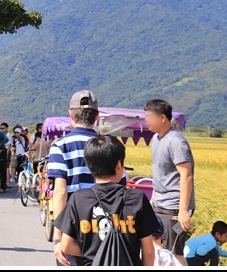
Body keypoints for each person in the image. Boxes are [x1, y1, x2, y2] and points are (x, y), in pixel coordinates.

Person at [54, 134, 160, 266]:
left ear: (89, 165)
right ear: (119, 164)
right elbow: (149, 252)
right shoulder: (137, 198)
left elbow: (67, 245)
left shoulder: (79, 199)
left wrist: (95, 251)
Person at [49, 89, 100, 266]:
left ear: (71, 115)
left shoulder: (60, 145)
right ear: (97, 116)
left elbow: (61, 192)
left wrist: (57, 237)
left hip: (72, 225)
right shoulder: (109, 145)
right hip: (103, 223)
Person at [144, 98, 195, 265]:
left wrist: (183, 211)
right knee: (159, 248)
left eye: (149, 116)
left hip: (173, 207)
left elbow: (186, 176)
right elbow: (160, 173)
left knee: (172, 252)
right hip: (159, 204)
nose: (146, 120)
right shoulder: (156, 139)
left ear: (162, 118)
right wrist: (153, 199)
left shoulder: (176, 141)